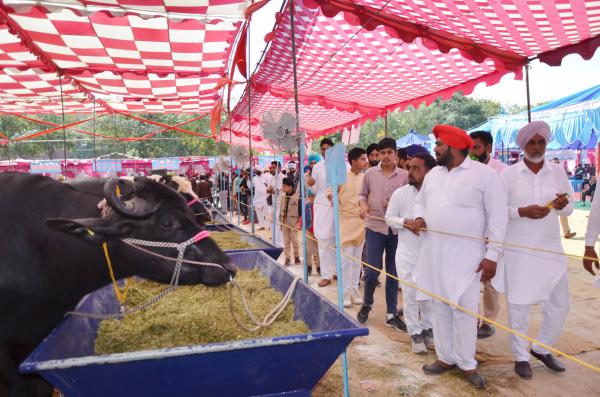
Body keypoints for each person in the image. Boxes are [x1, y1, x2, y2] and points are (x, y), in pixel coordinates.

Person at [410, 124, 507, 389]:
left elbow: (498, 217)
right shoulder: (433, 176)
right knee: (440, 306)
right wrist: (419, 217)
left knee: (465, 310)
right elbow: (421, 202)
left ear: (453, 147)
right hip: (435, 253)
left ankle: (467, 363)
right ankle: (445, 358)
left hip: (468, 259)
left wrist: (493, 255)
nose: (435, 149)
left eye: (439, 144)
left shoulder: (485, 175)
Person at [494, 120, 572, 380]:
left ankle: (541, 347)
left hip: (550, 247)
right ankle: (521, 355)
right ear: (523, 145)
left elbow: (569, 207)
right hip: (519, 248)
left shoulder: (558, 172)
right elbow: (496, 213)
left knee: (560, 303)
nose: (537, 147)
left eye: (541, 142)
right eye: (531, 142)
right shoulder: (508, 175)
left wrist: (560, 205)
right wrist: (522, 211)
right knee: (520, 304)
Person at [385, 152, 436, 354]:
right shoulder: (401, 193)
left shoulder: (436, 194)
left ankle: (427, 328)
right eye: (410, 168)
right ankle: (414, 331)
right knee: (410, 293)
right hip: (406, 253)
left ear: (430, 171)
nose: (411, 172)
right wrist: (405, 222)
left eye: (417, 168)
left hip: (431, 253)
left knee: (429, 294)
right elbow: (389, 217)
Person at [356, 137, 408, 330]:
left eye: (389, 153)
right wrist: (363, 205)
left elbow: (411, 199)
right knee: (371, 271)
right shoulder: (370, 173)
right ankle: (367, 304)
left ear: (396, 154)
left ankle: (391, 313)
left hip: (396, 230)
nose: (386, 156)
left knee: (393, 273)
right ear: (378, 154)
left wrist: (397, 207)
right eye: (382, 153)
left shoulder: (404, 175)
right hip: (374, 227)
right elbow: (362, 194)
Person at [468, 130, 507, 339]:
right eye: (469, 147)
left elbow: (502, 209)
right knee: (469, 276)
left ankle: (488, 321)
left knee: (490, 281)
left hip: (491, 236)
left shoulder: (501, 171)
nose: (472, 152)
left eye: (476, 147)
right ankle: (470, 318)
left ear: (489, 148)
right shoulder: (465, 170)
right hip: (469, 235)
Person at [336, 147, 368, 307]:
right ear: (354, 161)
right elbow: (330, 193)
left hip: (361, 222)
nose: (366, 161)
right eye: (363, 159)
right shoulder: (341, 176)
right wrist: (333, 193)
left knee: (357, 260)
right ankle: (344, 293)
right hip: (345, 221)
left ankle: (354, 290)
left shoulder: (366, 177)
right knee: (345, 260)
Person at [307, 138, 337, 287]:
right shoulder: (317, 167)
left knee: (338, 240)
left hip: (338, 205)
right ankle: (326, 275)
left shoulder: (341, 164)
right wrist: (310, 184)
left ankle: (338, 271)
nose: (325, 151)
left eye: (327, 148)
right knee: (324, 240)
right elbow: (314, 189)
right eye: (322, 149)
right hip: (322, 205)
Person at [551, 158, 577, 239]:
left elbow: (567, 187)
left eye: (557, 162)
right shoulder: (548, 171)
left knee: (563, 211)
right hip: (549, 196)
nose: (556, 163)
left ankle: (566, 232)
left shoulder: (560, 171)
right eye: (555, 162)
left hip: (559, 195)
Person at [280, 177, 302, 267]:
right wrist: (280, 222)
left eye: (284, 186)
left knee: (295, 241)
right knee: (286, 241)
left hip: (294, 223)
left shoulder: (297, 197)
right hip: (284, 222)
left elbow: (300, 212)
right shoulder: (283, 197)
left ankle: (296, 256)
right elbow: (281, 210)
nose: (283, 188)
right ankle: (287, 258)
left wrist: (299, 223)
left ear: (290, 187)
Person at [250, 165, 271, 231]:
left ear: (261, 171)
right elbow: (250, 186)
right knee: (259, 213)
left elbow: (270, 185)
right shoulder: (254, 178)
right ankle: (262, 226)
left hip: (265, 197)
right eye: (256, 171)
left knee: (267, 213)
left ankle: (269, 226)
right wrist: (248, 178)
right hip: (257, 198)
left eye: (258, 171)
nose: (257, 172)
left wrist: (268, 192)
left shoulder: (266, 177)